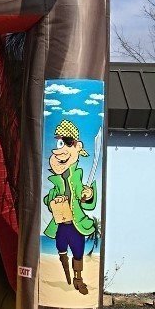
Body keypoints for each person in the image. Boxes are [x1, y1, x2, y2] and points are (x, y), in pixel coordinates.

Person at [43, 119, 97, 295]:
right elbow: (47, 199)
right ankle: (66, 275)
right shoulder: (56, 180)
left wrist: (88, 195)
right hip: (60, 224)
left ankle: (78, 279)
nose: (60, 150)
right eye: (59, 142)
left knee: (78, 251)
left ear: (77, 147)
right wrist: (54, 199)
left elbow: (88, 199)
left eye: (66, 142)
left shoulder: (77, 177)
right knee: (61, 250)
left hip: (76, 224)